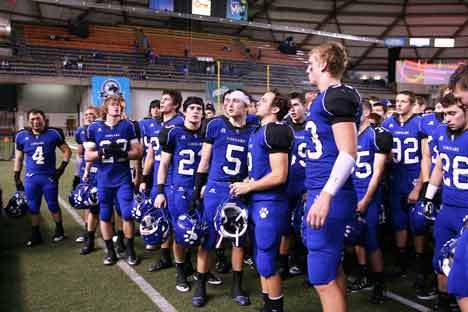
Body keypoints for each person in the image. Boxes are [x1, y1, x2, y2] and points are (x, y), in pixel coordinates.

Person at [303, 41, 361, 312]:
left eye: (311, 63)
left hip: (329, 192)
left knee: (321, 278)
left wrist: (325, 195)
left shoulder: (335, 95)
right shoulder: (327, 97)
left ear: (325, 63)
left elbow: (348, 153)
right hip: (324, 189)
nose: (307, 69)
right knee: (332, 266)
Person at [191, 89, 256, 307]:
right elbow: (204, 161)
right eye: (226, 101)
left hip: (240, 188)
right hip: (216, 187)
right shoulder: (215, 125)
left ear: (246, 106)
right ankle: (200, 285)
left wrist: (248, 181)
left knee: (238, 238)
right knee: (207, 237)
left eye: (235, 101)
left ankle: (237, 286)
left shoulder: (255, 128)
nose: (229, 104)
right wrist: (197, 189)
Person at [230, 91, 294, 312]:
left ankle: (276, 309)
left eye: (264, 100)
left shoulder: (276, 130)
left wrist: (249, 186)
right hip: (258, 201)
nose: (258, 102)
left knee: (267, 260)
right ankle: (268, 305)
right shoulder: (259, 130)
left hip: (271, 202)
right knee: (259, 258)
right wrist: (249, 180)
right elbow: (263, 170)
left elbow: (279, 175)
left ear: (275, 109)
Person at [422, 93, 468, 311]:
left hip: (466, 210)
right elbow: (440, 165)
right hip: (448, 207)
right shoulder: (441, 132)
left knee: (463, 263)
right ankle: (443, 301)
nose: (447, 118)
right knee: (441, 257)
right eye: (445, 113)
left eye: (453, 113)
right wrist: (429, 195)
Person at [154, 97, 204, 292]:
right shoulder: (173, 133)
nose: (195, 112)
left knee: (202, 231)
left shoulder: (207, 133)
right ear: (184, 111)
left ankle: (199, 269)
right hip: (179, 190)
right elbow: (164, 164)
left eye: (198, 108)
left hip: (201, 190)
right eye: (191, 108)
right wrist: (160, 191)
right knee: (181, 232)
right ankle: (181, 271)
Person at [84, 95, 142, 266]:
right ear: (106, 108)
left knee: (127, 214)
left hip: (123, 178)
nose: (117, 107)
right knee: (104, 215)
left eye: (119, 105)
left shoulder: (128, 126)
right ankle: (110, 251)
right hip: (103, 179)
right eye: (113, 105)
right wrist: (102, 153)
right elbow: (87, 155)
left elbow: (138, 151)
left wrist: (123, 153)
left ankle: (130, 249)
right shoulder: (95, 127)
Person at [382, 91, 429, 295]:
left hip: (413, 177)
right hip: (395, 178)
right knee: (399, 222)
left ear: (412, 104)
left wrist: (419, 185)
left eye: (403, 102)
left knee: (417, 223)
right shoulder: (388, 123)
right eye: (397, 101)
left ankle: (420, 268)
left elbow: (425, 158)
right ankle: (401, 262)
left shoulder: (420, 123)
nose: (399, 105)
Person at [349, 100, 392, 303]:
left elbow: (377, 173)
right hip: (350, 193)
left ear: (366, 114)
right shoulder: (347, 135)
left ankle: (379, 284)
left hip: (369, 194)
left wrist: (365, 199)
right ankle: (363, 273)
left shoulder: (377, 135)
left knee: (372, 241)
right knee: (356, 236)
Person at [14, 109, 72, 247]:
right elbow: (19, 157)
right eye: (33, 119)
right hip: (31, 178)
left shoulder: (53, 134)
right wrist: (16, 176)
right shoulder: (21, 136)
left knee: (52, 204)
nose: (36, 121)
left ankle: (59, 230)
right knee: (33, 207)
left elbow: (67, 151)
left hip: (49, 177)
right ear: (29, 121)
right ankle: (36, 235)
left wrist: (61, 168)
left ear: (44, 119)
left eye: (38, 118)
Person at [140, 90, 184, 266]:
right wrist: (144, 178)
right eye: (161, 99)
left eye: (166, 99)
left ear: (175, 105)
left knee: (176, 221)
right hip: (159, 178)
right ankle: (165, 256)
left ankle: (184, 260)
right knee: (161, 218)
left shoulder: (180, 123)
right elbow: (151, 155)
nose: (162, 102)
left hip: (175, 179)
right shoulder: (155, 125)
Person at [278, 92, 307, 279]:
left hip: (306, 186)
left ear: (304, 105)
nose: (293, 110)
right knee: (285, 228)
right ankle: (283, 264)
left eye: (296, 105)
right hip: (287, 185)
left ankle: (302, 262)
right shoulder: (283, 127)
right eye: (290, 107)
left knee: (306, 228)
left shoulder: (314, 127)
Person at [74, 106, 99, 254]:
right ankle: (87, 230)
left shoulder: (101, 128)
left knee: (105, 202)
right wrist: (78, 173)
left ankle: (112, 231)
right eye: (87, 115)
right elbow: (80, 153)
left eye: (92, 114)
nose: (89, 117)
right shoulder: (80, 131)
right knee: (88, 202)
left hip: (101, 170)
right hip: (87, 170)